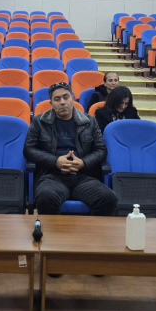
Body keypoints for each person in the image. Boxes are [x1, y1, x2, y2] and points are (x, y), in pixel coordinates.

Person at [24, 81, 117, 216]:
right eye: (57, 99)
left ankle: (91, 230)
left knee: (108, 198)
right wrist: (55, 161)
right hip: (52, 176)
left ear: (73, 99)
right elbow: (29, 149)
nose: (62, 102)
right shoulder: (39, 122)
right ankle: (54, 230)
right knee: (46, 197)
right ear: (51, 103)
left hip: (83, 176)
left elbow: (101, 149)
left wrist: (83, 163)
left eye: (66, 97)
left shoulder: (89, 121)